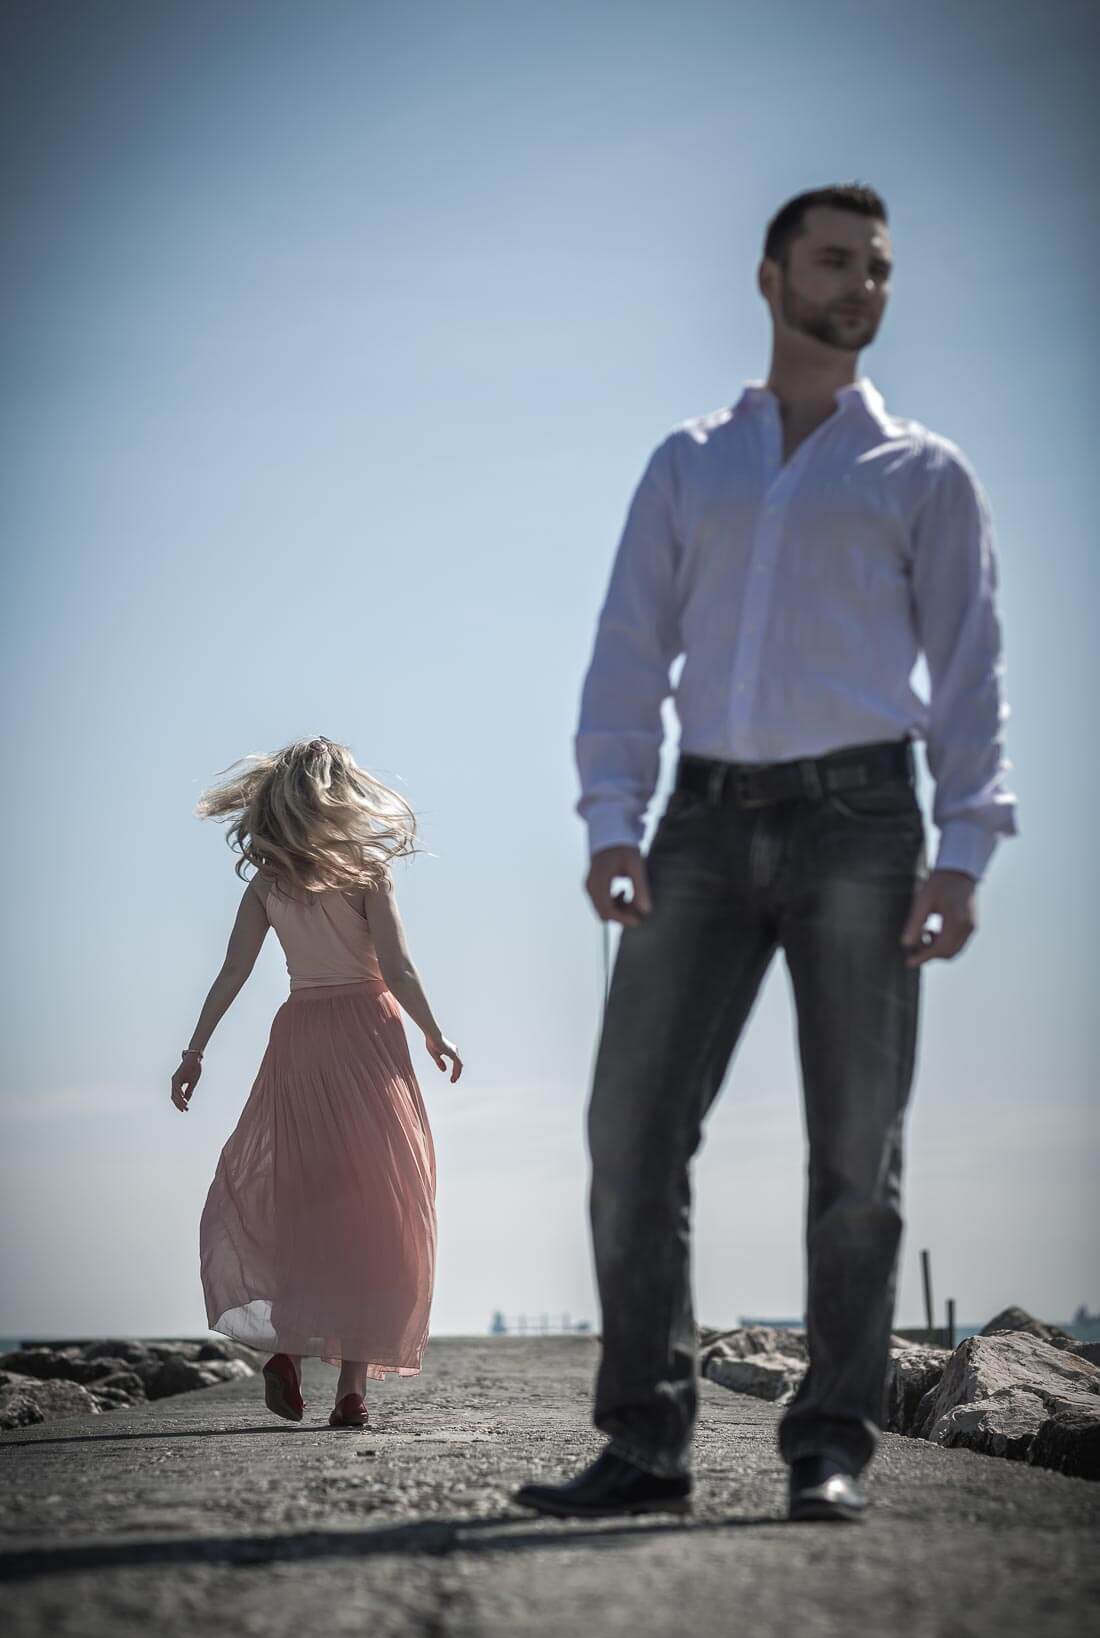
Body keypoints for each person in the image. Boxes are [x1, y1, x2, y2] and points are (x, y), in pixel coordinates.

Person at [515, 183, 1017, 1522]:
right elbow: (628, 649)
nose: (862, 285)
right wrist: (611, 821)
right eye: (836, 261)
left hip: (867, 819)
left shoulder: (925, 475)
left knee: (856, 1150)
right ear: (770, 276)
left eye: (880, 269)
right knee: (629, 1131)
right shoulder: (691, 461)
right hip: (701, 818)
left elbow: (970, 673)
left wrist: (965, 845)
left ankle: (831, 1443)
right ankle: (643, 1447)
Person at [171, 736, 461, 1429]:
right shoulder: (367, 872)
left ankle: (288, 1353)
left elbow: (233, 972)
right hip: (366, 1037)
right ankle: (352, 1395)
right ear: (340, 795)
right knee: (378, 1208)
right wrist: (433, 1031)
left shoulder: (268, 881)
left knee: (308, 1200)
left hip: (300, 1037)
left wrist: (195, 1050)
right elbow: (397, 968)